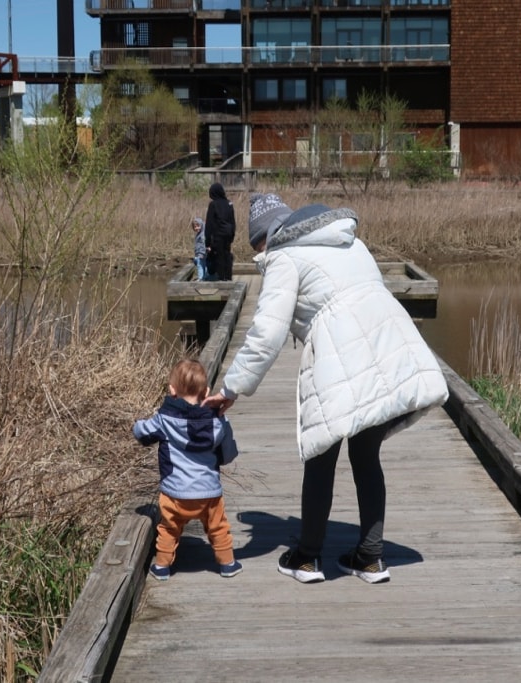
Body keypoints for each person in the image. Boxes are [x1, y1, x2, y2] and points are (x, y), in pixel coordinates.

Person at [202, 193, 448, 584]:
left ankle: (307, 557)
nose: (259, 256)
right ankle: (369, 557)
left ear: (266, 238)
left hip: (341, 354)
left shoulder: (284, 256)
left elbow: (267, 333)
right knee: (367, 455)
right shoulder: (349, 240)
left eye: (257, 247)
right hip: (388, 344)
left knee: (321, 454)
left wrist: (231, 387)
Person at [132, 358, 242, 581]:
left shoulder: (164, 419)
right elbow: (228, 454)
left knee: (169, 529)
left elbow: (142, 433)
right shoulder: (218, 422)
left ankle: (162, 566)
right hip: (209, 493)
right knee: (218, 528)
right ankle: (227, 564)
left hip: (174, 492)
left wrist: (136, 425)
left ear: (172, 390)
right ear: (207, 391)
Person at [204, 182, 236, 281]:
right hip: (228, 233)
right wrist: (232, 235)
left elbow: (209, 224)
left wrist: (208, 242)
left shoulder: (213, 205)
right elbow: (232, 221)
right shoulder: (229, 203)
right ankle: (228, 276)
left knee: (219, 255)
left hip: (218, 235)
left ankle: (221, 278)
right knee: (227, 254)